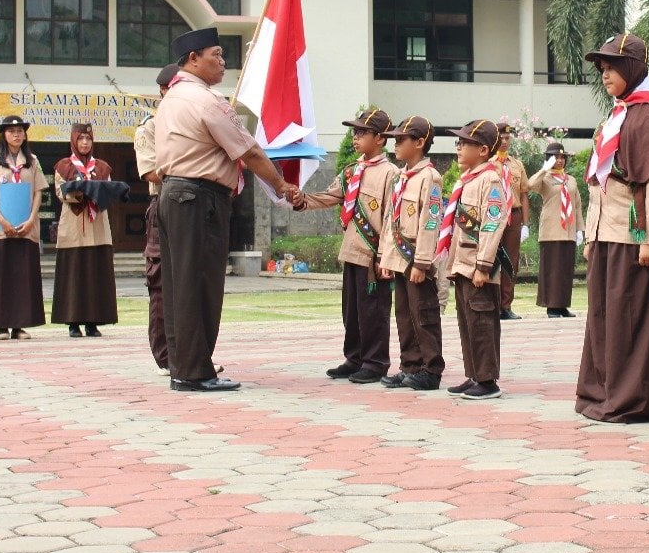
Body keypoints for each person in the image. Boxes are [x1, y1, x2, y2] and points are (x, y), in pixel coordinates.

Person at [157, 26, 298, 391]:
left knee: (178, 286)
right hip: (198, 198)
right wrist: (281, 186)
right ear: (193, 59)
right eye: (216, 55)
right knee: (199, 284)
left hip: (173, 194)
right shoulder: (206, 100)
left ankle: (182, 365)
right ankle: (195, 371)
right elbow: (249, 151)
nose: (223, 62)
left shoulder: (171, 98)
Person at [576, 33, 649, 424]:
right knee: (604, 317)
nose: (605, 74)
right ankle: (600, 391)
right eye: (602, 68)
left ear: (634, 68)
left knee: (633, 321)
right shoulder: (617, 115)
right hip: (606, 234)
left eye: (613, 67)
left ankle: (635, 399)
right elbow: (597, 181)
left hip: (634, 238)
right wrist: (590, 234)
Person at [298, 108, 396, 384]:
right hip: (351, 250)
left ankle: (375, 362)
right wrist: (301, 199)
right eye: (355, 132)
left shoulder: (391, 174)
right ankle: (354, 358)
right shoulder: (353, 170)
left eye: (362, 132)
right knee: (352, 310)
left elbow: (391, 218)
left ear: (380, 138)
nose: (356, 137)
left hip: (372, 254)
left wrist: (384, 255)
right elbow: (331, 196)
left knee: (373, 311)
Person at [436, 119, 510, 399]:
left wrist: (483, 265)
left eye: (464, 143)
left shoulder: (490, 180)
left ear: (482, 150)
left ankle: (488, 380)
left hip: (478, 266)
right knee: (467, 322)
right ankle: (474, 374)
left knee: (482, 323)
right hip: (463, 264)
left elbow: (493, 223)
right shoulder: (469, 179)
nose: (458, 147)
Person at [376, 116, 446, 390]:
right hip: (399, 257)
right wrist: (385, 256)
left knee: (424, 313)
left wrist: (422, 261)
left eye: (401, 139)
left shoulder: (430, 178)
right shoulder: (402, 175)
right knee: (404, 314)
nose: (395, 144)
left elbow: (430, 222)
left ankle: (431, 369)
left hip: (417, 258)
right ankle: (410, 365)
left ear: (419, 143)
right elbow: (390, 218)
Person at [0, 115, 48, 339]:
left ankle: (19, 326)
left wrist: (31, 220)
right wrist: (2, 221)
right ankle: (2, 327)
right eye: (11, 131)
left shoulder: (32, 160)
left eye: (20, 131)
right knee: (1, 277)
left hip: (25, 229)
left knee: (22, 278)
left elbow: (38, 192)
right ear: (3, 135)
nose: (16, 134)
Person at [51, 123, 118, 338]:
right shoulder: (63, 166)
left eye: (88, 139)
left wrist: (94, 191)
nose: (85, 143)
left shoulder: (102, 167)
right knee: (73, 274)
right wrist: (82, 192)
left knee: (95, 274)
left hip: (97, 227)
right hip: (72, 228)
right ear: (73, 140)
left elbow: (107, 192)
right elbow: (61, 193)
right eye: (80, 139)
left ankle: (93, 322)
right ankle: (73, 322)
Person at [134, 64, 180, 371]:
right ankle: (167, 355)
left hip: (195, 210)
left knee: (191, 282)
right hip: (164, 205)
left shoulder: (193, 121)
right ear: (163, 91)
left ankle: (191, 353)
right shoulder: (150, 127)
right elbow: (150, 171)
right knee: (162, 281)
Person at [528, 141, 582, 317]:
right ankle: (551, 306)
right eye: (555, 157)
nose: (559, 160)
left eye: (561, 157)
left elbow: (578, 205)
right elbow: (530, 185)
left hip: (569, 230)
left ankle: (562, 305)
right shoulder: (545, 179)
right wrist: (545, 169)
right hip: (551, 230)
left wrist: (580, 229)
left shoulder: (571, 180)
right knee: (551, 269)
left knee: (565, 270)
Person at [495, 123, 531, 320]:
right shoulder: (488, 163)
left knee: (510, 261)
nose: (504, 141)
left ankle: (505, 306)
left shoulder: (517, 164)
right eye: (501, 137)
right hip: (494, 214)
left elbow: (524, 194)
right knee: (491, 259)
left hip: (514, 214)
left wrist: (526, 223)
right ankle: (492, 303)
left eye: (507, 138)